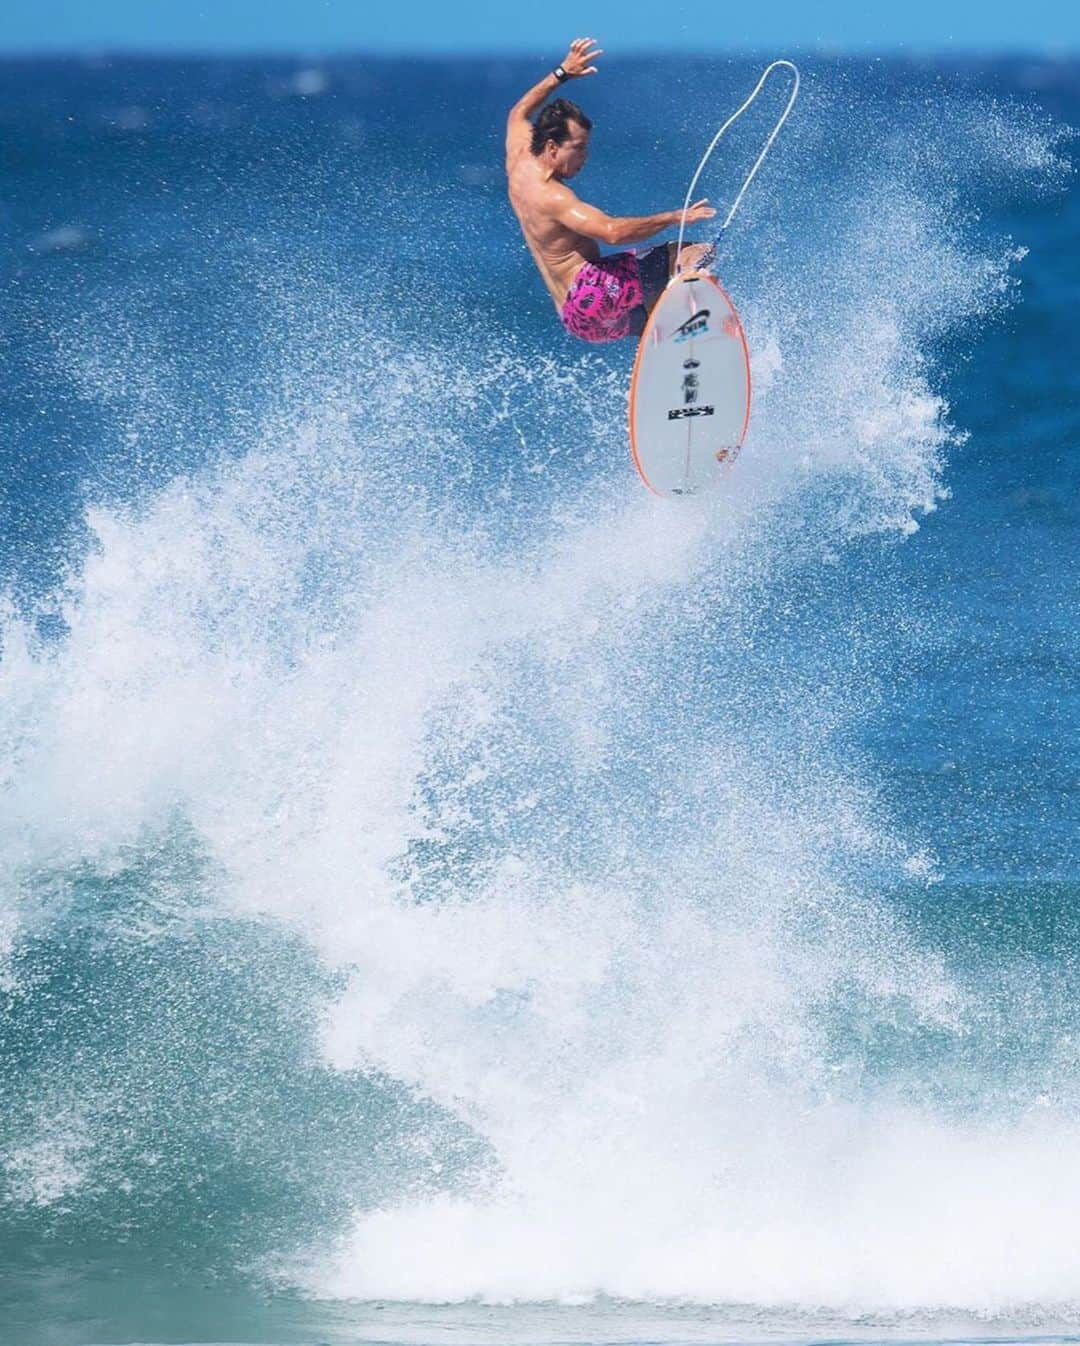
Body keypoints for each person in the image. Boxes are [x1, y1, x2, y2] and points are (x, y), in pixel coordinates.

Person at [505, 36, 716, 345]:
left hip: (578, 319)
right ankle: (702, 321)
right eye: (578, 149)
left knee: (657, 318)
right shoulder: (554, 197)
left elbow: (518, 112)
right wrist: (674, 217)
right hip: (593, 292)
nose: (584, 157)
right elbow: (611, 231)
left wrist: (562, 72)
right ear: (552, 146)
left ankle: (673, 349)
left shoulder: (519, 159)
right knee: (694, 253)